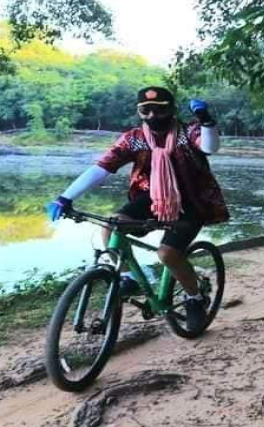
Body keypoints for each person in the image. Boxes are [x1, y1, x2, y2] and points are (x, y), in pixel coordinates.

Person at [46, 86, 229, 334]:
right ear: (139, 112)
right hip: (149, 198)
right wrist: (65, 197)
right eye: (146, 110)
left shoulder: (188, 131)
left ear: (172, 110)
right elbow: (102, 168)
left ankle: (195, 299)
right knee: (110, 226)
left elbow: (209, 147)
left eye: (159, 109)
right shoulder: (134, 137)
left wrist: (206, 121)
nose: (153, 115)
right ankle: (129, 276)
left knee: (168, 254)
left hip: (192, 201)